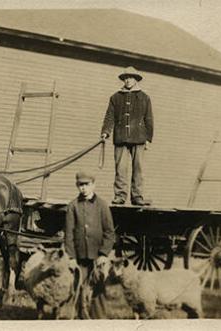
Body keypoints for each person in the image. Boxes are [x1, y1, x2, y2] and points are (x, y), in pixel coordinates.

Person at [64, 171, 115, 319]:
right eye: (81, 185)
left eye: (87, 184)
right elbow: (69, 234)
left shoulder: (102, 205)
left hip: (98, 257)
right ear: (77, 186)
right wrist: (71, 257)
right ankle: (80, 316)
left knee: (98, 290)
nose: (84, 188)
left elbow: (109, 232)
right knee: (79, 287)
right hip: (80, 257)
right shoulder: (73, 206)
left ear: (93, 185)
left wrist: (104, 254)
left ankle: (97, 318)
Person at [101, 66, 154, 206]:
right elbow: (109, 116)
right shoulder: (115, 97)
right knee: (120, 169)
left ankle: (137, 196)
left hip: (139, 138)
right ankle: (120, 196)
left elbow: (149, 118)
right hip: (120, 138)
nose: (128, 80)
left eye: (131, 77)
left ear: (136, 79)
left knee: (139, 168)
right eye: (125, 78)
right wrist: (105, 132)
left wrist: (148, 138)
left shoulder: (144, 98)